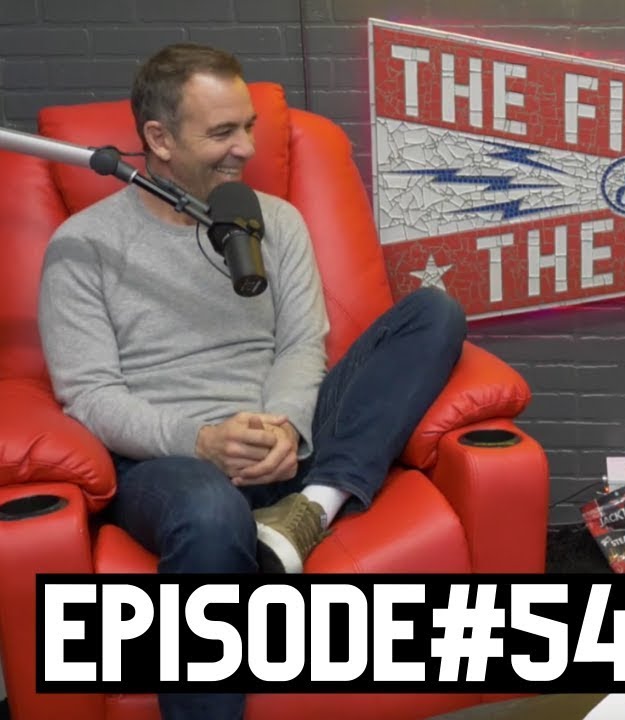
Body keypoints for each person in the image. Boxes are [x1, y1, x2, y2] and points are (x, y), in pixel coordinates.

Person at [38, 43, 466, 719]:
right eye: (221, 132)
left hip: (286, 438)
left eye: (247, 127)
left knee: (433, 314)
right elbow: (89, 396)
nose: (244, 148)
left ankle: (311, 508)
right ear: (159, 139)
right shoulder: (81, 245)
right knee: (211, 512)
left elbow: (300, 344)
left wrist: (285, 426)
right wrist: (200, 440)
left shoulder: (278, 221)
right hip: (170, 462)